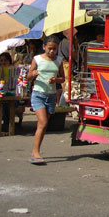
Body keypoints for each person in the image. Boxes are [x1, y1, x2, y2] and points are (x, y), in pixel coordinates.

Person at [27, 35, 65, 165]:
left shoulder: (59, 60)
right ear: (44, 47)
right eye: (49, 48)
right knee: (42, 123)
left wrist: (56, 80)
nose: (52, 51)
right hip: (38, 94)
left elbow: (62, 78)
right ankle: (36, 152)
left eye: (54, 49)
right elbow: (27, 76)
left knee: (43, 126)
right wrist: (33, 74)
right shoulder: (37, 59)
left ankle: (35, 151)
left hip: (51, 95)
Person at [0, 52, 25, 129]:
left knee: (7, 104)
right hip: (1, 94)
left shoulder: (15, 70)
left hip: (13, 95)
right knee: (2, 104)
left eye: (5, 60)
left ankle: (7, 124)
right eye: (1, 60)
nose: (3, 62)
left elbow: (19, 81)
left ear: (9, 61)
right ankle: (6, 124)